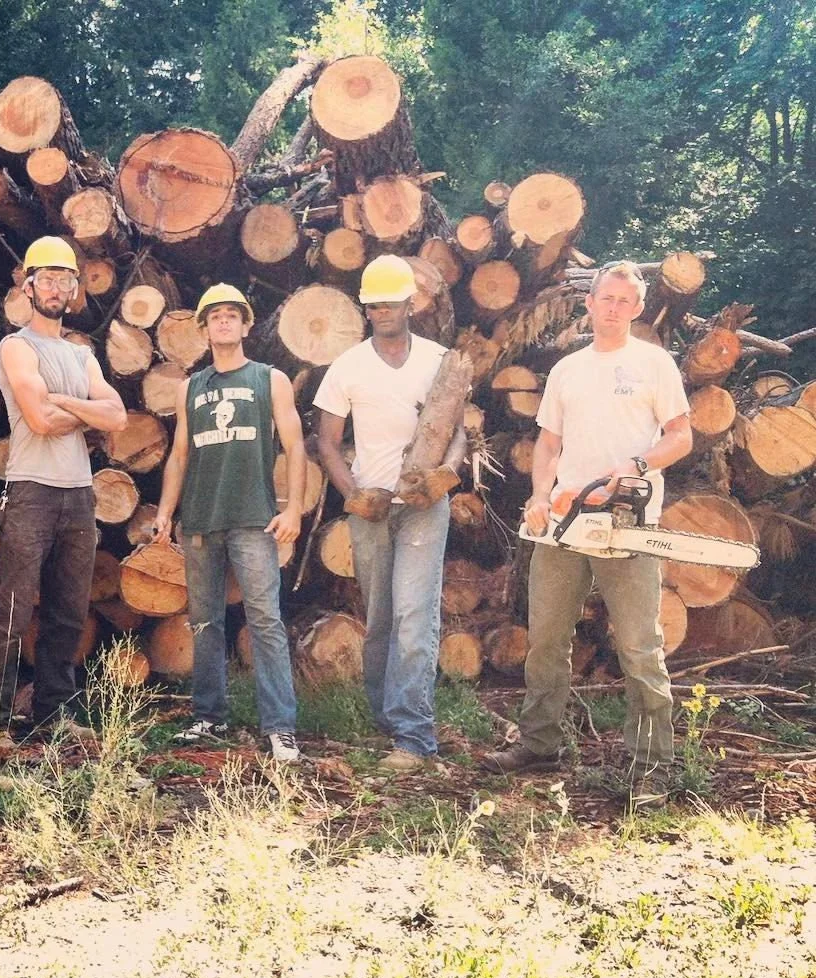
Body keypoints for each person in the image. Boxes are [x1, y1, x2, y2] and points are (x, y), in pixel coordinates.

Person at [484, 260, 692, 812]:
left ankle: (651, 766)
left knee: (640, 647)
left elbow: (681, 436)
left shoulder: (653, 364)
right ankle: (539, 743)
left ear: (638, 309)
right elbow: (548, 444)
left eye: (626, 301)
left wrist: (636, 465)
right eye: (607, 298)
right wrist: (537, 494)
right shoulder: (568, 370)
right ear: (591, 302)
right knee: (547, 637)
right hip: (564, 518)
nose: (615, 308)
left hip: (628, 519)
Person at [0, 237, 127, 748]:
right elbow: (37, 420)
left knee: (67, 611)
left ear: (75, 288)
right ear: (29, 284)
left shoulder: (81, 355)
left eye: (66, 280)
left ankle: (53, 713)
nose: (57, 288)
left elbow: (119, 417)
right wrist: (82, 409)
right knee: (11, 609)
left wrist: (61, 400)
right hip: (32, 491)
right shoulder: (15, 346)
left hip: (78, 493)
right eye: (48, 279)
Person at [314, 255, 466, 773]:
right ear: (365, 307)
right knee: (380, 616)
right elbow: (328, 443)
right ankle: (387, 716)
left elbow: (458, 430)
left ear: (410, 303)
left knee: (414, 614)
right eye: (373, 303)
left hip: (423, 505)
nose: (382, 311)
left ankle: (414, 735)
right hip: (370, 507)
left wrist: (446, 471)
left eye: (390, 302)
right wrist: (351, 492)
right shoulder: (348, 366)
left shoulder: (439, 359)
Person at [152, 284, 305, 762]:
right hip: (200, 519)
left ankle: (280, 727)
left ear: (246, 324)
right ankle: (208, 717)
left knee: (265, 620)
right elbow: (179, 456)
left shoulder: (269, 379)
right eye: (214, 315)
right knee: (205, 623)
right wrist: (164, 511)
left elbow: (296, 446)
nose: (222, 322)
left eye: (231, 315)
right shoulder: (190, 388)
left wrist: (295, 507)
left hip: (254, 519)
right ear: (203, 328)